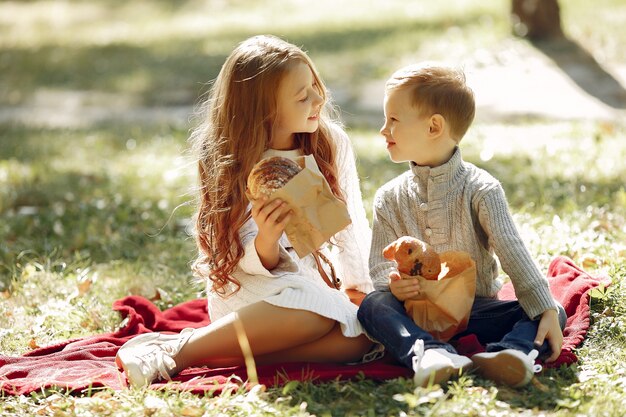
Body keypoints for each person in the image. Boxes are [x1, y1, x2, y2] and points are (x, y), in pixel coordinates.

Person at [115, 35, 376, 388]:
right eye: (302, 96)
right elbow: (225, 248)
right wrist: (267, 242)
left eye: (315, 86)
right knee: (312, 312)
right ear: (265, 109)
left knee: (362, 338)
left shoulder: (331, 143)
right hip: (249, 291)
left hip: (311, 290)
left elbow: (353, 226)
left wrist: (364, 288)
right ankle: (178, 353)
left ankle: (190, 349)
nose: (318, 99)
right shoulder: (224, 154)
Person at [357, 63, 566, 388]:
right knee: (373, 305)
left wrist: (544, 306)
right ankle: (429, 354)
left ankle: (513, 353)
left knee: (549, 308)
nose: (383, 129)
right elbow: (379, 267)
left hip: (475, 312)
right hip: (416, 314)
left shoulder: (482, 189)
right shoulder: (389, 198)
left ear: (434, 126)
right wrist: (394, 285)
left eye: (393, 120)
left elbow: (513, 253)